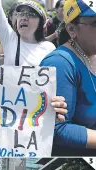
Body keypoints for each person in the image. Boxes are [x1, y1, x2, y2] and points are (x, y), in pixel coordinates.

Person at [40, 0, 96, 156]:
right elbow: (58, 129)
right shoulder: (59, 63)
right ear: (72, 29)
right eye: (95, 23)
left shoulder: (92, 52)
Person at [0, 0, 55, 65]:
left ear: (40, 24)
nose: (23, 18)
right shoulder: (9, 38)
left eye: (31, 14)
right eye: (21, 14)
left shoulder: (49, 48)